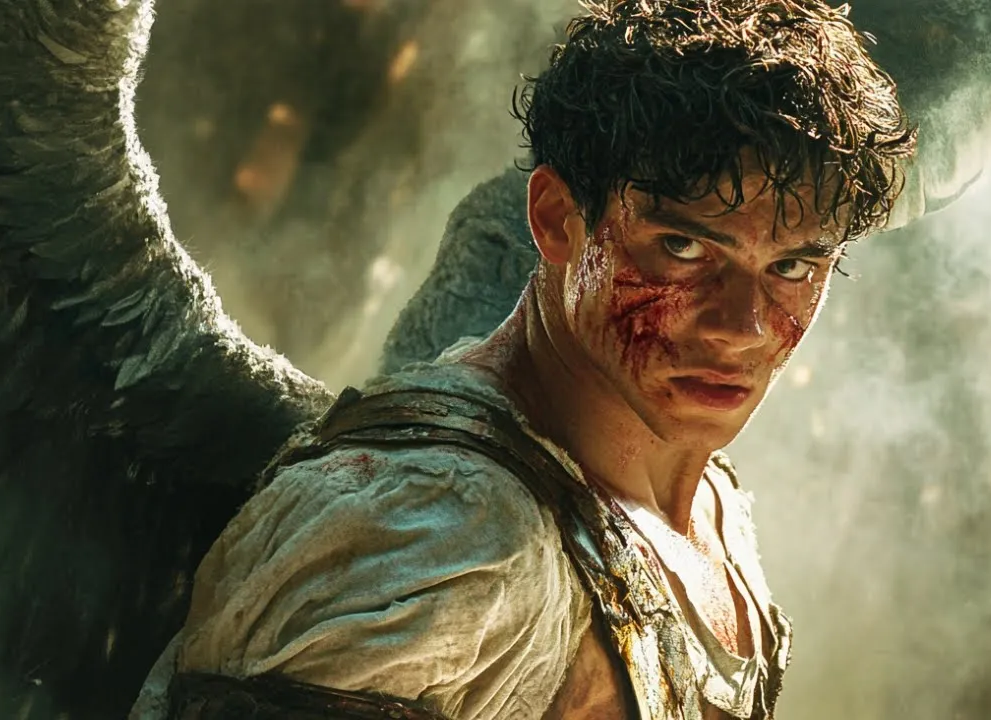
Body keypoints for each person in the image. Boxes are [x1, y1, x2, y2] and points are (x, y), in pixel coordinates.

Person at [134, 1, 917, 718]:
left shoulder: (705, 493)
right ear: (555, 219)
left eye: (792, 266)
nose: (742, 326)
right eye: (682, 247)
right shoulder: (436, 536)